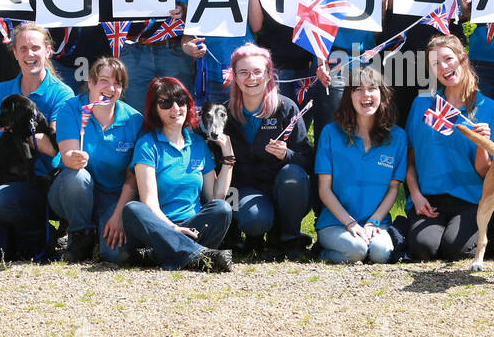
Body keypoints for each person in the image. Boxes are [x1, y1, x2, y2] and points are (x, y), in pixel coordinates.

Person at [0, 23, 74, 261]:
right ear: (15, 53)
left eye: (36, 48)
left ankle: (43, 235)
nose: (30, 54)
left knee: (3, 200)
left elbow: (52, 147)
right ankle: (18, 232)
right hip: (2, 181)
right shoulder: (0, 91)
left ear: (48, 51)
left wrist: (21, 124)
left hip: (42, 182)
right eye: (23, 49)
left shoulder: (62, 94)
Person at [122, 76, 234, 271]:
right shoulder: (147, 145)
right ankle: (196, 255)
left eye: (180, 101)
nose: (175, 108)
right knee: (133, 209)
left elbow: (215, 197)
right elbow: (150, 205)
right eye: (165, 103)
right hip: (158, 226)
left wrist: (228, 158)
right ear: (154, 110)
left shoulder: (198, 144)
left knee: (222, 209)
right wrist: (173, 229)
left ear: (188, 105)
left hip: (193, 226)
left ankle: (160, 254)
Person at [404, 35, 494, 261]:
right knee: (425, 249)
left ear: (462, 58)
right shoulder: (422, 105)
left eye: (448, 59)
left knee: (456, 250)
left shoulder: (488, 107)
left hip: (471, 200)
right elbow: (409, 158)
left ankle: (486, 231)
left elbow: (486, 172)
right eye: (436, 63)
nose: (444, 67)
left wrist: (482, 143)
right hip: (430, 200)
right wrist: (415, 195)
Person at [48, 57, 145, 263]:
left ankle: (98, 236)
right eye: (104, 80)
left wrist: (119, 215)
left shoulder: (135, 120)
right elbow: (67, 156)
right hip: (70, 190)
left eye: (117, 83)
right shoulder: (71, 108)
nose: (111, 88)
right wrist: (74, 158)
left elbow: (133, 176)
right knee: (78, 176)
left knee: (113, 255)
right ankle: (80, 235)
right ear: (90, 82)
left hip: (112, 196)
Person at [224, 44, 313, 258]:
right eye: (244, 72)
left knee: (293, 173)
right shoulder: (224, 113)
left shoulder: (287, 108)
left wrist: (286, 155)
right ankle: (252, 237)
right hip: (246, 190)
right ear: (234, 77)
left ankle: (288, 239)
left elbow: (307, 160)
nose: (251, 78)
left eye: (257, 72)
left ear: (269, 75)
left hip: (284, 188)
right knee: (256, 220)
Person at [315, 67, 407, 264]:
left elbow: (393, 188)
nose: (366, 94)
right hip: (335, 223)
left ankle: (363, 246)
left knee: (381, 253)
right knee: (357, 250)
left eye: (372, 88)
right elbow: (324, 189)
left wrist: (374, 221)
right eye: (358, 89)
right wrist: (350, 223)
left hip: (377, 222)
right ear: (349, 97)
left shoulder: (398, 137)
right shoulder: (330, 133)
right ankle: (322, 251)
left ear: (382, 95)